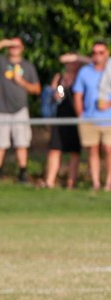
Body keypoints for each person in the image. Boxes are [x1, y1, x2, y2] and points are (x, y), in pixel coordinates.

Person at [0, 38, 41, 183]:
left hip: (20, 110)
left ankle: (22, 174)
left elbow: (37, 89)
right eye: (12, 46)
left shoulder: (27, 66)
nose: (14, 49)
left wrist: (22, 82)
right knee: (0, 144)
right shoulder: (2, 62)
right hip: (2, 110)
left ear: (22, 48)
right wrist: (4, 43)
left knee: (21, 143)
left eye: (17, 46)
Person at [44, 53, 88, 189]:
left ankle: (71, 183)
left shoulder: (82, 77)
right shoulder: (61, 79)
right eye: (69, 63)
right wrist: (59, 88)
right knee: (55, 150)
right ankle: (49, 181)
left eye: (74, 62)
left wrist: (77, 58)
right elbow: (59, 97)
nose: (71, 65)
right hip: (60, 118)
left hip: (76, 118)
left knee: (74, 152)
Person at [73, 41, 111, 191]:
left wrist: (108, 104)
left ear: (107, 53)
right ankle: (95, 183)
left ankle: (109, 183)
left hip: (108, 119)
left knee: (109, 150)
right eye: (94, 53)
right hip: (89, 119)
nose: (97, 56)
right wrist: (80, 114)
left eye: (101, 52)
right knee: (93, 151)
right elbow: (77, 94)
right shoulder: (84, 72)